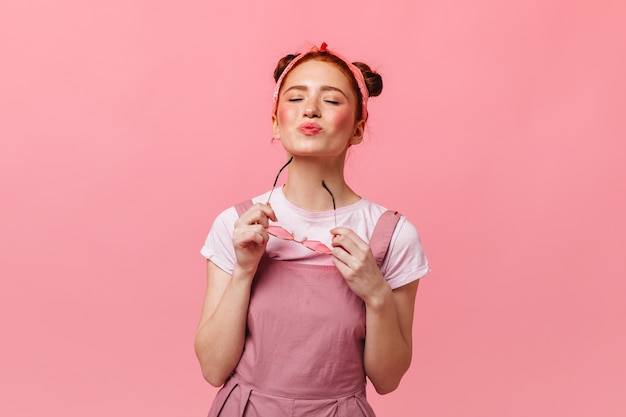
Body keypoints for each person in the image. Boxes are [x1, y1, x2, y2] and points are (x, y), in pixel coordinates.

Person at [195, 42, 430, 417]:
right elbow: (212, 368)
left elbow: (387, 380)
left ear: (358, 128)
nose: (311, 109)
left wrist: (376, 293)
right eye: (296, 98)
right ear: (275, 121)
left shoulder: (392, 235)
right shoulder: (237, 225)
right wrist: (243, 272)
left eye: (333, 101)